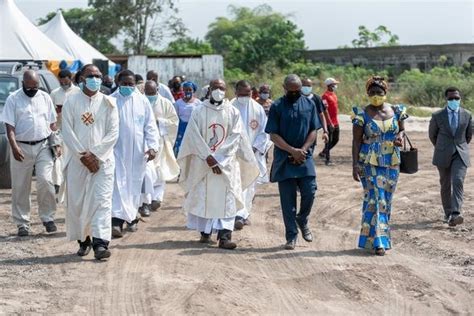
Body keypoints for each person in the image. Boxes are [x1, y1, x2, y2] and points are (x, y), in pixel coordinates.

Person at [178, 79, 259, 249]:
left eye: (222, 88)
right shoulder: (199, 111)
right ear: (209, 90)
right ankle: (205, 233)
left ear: (226, 90)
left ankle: (224, 237)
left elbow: (235, 136)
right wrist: (208, 156)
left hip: (226, 164)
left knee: (227, 199)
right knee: (204, 198)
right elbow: (193, 135)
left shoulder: (232, 112)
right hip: (204, 164)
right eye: (215, 88)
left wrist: (218, 159)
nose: (218, 91)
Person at [61, 64, 119, 260]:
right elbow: (67, 131)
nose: (95, 79)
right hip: (78, 162)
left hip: (103, 161)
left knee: (102, 201)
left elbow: (113, 133)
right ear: (81, 79)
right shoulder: (71, 101)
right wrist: (83, 156)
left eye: (98, 75)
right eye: (90, 75)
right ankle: (83, 240)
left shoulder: (109, 103)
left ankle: (100, 244)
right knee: (78, 202)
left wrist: (95, 155)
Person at [352, 76, 407, 256]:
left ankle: (375, 239)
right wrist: (354, 165)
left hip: (392, 161)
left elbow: (401, 129)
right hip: (369, 161)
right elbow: (356, 141)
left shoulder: (397, 111)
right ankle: (379, 242)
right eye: (372, 93)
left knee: (386, 200)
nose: (376, 96)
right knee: (376, 199)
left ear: (385, 93)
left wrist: (399, 136)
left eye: (379, 93)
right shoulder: (361, 114)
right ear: (368, 93)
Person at [1, 70, 60, 236]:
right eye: (30, 87)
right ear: (23, 84)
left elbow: (52, 124)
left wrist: (56, 143)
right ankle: (22, 223)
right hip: (21, 146)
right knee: (20, 186)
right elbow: (9, 126)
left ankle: (48, 217)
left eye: (36, 87)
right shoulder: (13, 99)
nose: (33, 90)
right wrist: (14, 146)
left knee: (46, 180)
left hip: (43, 146)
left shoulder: (45, 97)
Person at [265, 74, 319, 250]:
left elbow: (313, 130)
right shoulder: (277, 106)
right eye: (292, 91)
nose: (295, 94)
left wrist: (302, 149)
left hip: (305, 156)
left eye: (298, 90)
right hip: (284, 158)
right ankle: (291, 236)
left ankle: (302, 219)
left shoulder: (309, 104)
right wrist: (292, 150)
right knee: (287, 202)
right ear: (284, 88)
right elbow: (273, 134)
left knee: (310, 192)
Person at [110, 70, 160, 237]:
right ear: (118, 82)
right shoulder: (111, 101)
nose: (128, 87)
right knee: (117, 186)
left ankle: (131, 218)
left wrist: (153, 146)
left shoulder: (142, 100)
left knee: (134, 185)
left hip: (137, 152)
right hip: (116, 151)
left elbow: (150, 125)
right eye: (124, 83)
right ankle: (116, 221)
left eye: (131, 84)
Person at [230, 80, 271, 230]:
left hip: (252, 154)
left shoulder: (257, 108)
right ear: (236, 93)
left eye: (248, 94)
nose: (245, 97)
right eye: (241, 94)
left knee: (249, 186)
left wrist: (254, 148)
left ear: (252, 93)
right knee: (235, 184)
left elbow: (264, 132)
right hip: (233, 155)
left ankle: (244, 214)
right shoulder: (229, 107)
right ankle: (236, 214)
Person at [429, 87, 472, 226]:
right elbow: (432, 135)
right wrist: (442, 147)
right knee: (445, 184)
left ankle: (456, 213)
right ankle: (448, 214)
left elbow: (468, 136)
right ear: (446, 99)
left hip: (460, 153)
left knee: (458, 180)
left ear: (460, 99)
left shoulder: (467, 115)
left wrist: (460, 146)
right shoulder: (437, 115)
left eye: (456, 98)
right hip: (443, 154)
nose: (454, 100)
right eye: (451, 98)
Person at [145, 80, 180, 210]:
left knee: (159, 170)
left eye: (152, 93)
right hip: (144, 143)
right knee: (147, 171)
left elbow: (174, 122)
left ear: (157, 90)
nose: (150, 95)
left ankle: (157, 198)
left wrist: (159, 122)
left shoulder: (166, 103)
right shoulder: (141, 102)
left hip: (160, 141)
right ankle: (146, 200)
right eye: (147, 93)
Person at [50, 69, 80, 192]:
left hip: (74, 131)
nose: (63, 85)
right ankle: (57, 184)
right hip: (59, 130)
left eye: (65, 82)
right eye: (61, 83)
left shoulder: (78, 92)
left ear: (70, 78)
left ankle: (70, 185)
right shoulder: (55, 93)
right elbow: (51, 113)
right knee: (58, 157)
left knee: (72, 158)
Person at [173, 81, 201, 156]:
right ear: (183, 91)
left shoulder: (198, 103)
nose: (188, 91)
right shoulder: (178, 103)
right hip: (181, 129)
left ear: (193, 91)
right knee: (180, 148)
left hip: (193, 128)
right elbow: (175, 117)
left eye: (190, 90)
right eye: (186, 90)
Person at [301, 78, 330, 146]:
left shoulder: (316, 98)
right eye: (304, 85)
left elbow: (321, 115)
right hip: (299, 130)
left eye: (309, 86)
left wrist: (325, 131)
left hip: (312, 131)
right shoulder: (297, 98)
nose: (306, 88)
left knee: (309, 150)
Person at [320, 78, 340, 165]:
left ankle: (324, 152)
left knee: (336, 139)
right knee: (328, 141)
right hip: (329, 122)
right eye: (334, 84)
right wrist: (329, 122)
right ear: (329, 85)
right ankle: (327, 159)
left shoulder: (334, 95)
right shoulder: (325, 96)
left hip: (336, 121)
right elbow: (325, 111)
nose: (336, 86)